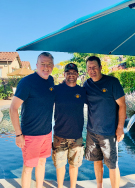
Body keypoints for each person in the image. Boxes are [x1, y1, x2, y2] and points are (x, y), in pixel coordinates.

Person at [9, 52, 55, 188]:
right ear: (37, 65)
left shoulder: (51, 80)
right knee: (28, 167)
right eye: (43, 64)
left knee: (42, 163)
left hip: (46, 133)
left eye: (49, 64)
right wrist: (18, 134)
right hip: (30, 134)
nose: (46, 67)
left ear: (53, 65)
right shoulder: (27, 82)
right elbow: (13, 108)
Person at [83, 56, 126, 188]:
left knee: (112, 165)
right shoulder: (86, 84)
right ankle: (99, 186)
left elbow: (122, 105)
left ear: (101, 67)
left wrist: (120, 128)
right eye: (89, 68)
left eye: (94, 67)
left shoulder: (112, 82)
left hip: (108, 132)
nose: (92, 70)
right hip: (92, 131)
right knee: (96, 161)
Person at [52, 63, 86, 188]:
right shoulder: (57, 90)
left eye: (73, 72)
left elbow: (96, 104)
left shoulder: (82, 91)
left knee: (74, 165)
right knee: (60, 165)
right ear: (64, 74)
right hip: (59, 135)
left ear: (77, 74)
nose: (71, 75)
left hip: (76, 135)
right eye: (68, 72)